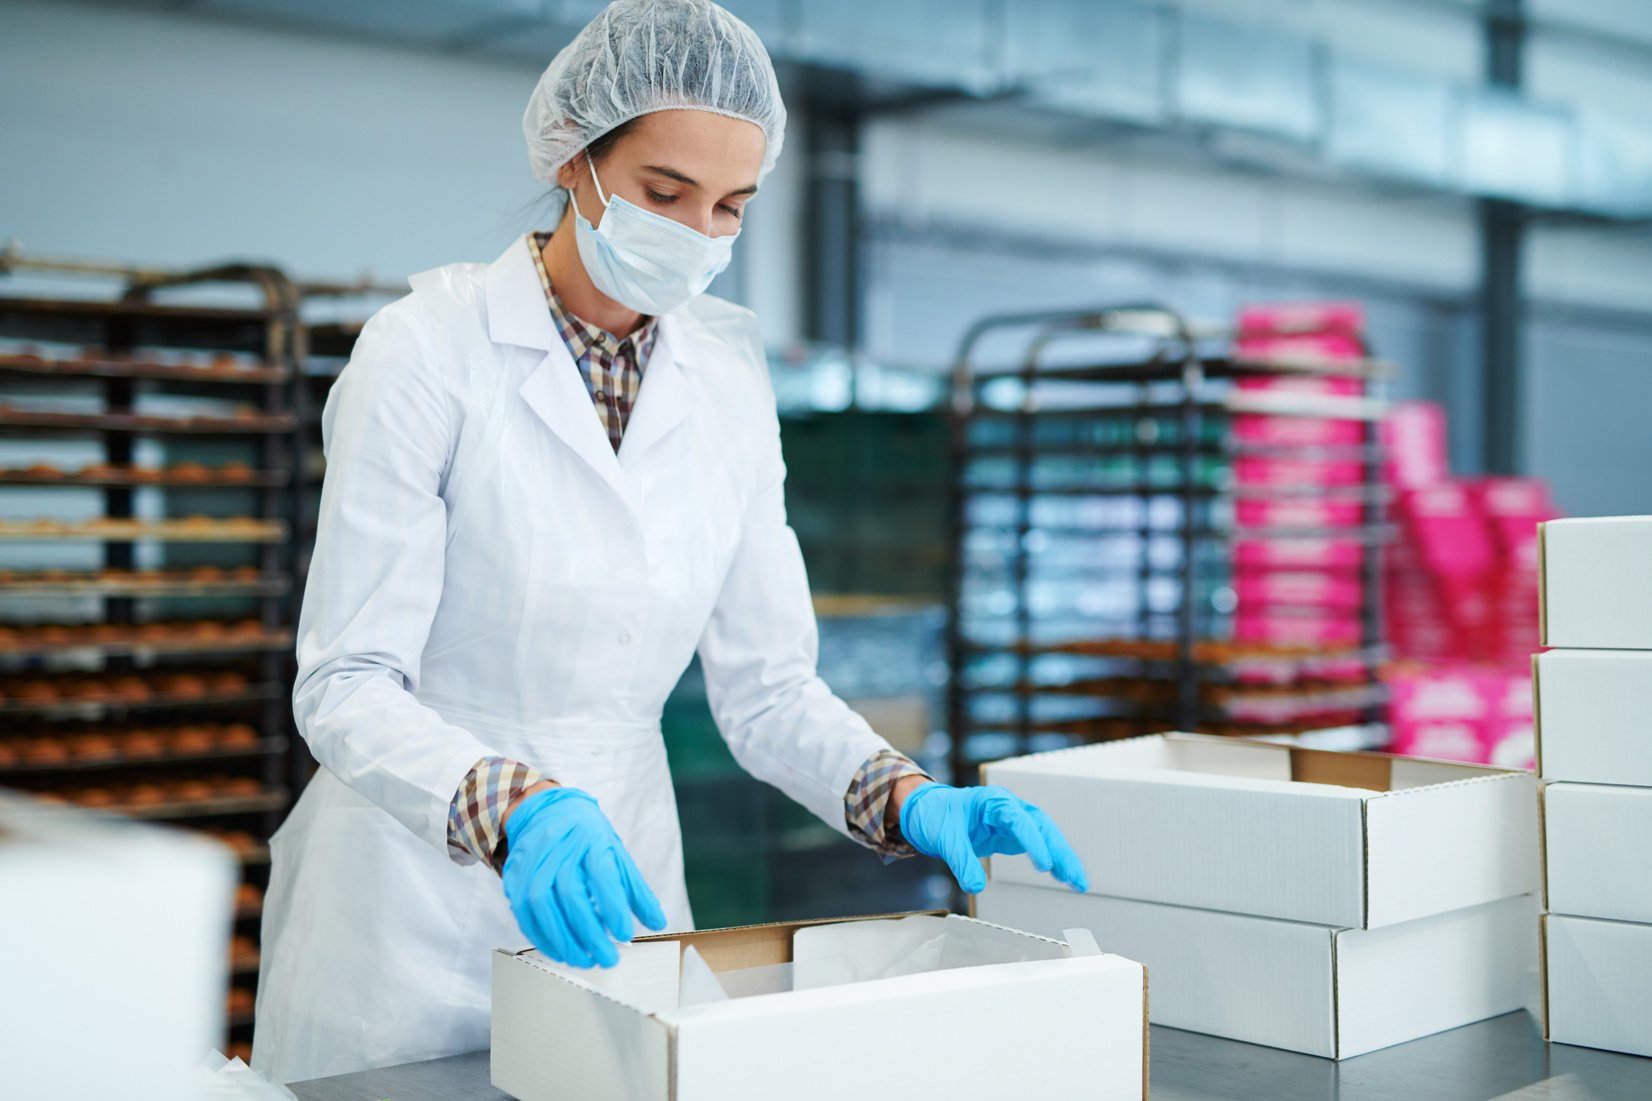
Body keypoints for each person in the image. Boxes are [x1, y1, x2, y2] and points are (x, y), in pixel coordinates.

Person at [250, 0, 1088, 1084]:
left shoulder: (728, 382)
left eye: (730, 207)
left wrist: (904, 796)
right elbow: (347, 683)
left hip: (627, 881)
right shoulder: (426, 355)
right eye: (662, 193)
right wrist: (521, 808)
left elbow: (767, 693)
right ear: (573, 157)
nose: (696, 235)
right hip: (402, 903)